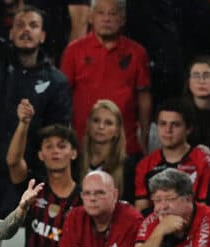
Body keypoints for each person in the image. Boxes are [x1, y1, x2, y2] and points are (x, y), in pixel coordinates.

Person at [0, 5, 72, 216]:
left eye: (33, 25)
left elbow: (56, 134)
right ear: (10, 33)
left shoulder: (57, 82)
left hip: (22, 179)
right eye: (19, 25)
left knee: (14, 246)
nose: (26, 30)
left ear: (43, 36)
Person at [60, 0, 151, 157]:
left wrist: (144, 136)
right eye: (100, 13)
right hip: (83, 147)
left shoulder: (137, 52)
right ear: (90, 17)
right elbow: (62, 96)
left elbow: (144, 96)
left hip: (125, 147)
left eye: (112, 13)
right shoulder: (74, 51)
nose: (106, 19)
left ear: (122, 19)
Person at [7, 116, 82, 247]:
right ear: (41, 155)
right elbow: (13, 162)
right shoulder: (33, 189)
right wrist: (23, 123)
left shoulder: (85, 197)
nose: (55, 151)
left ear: (74, 153)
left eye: (62, 146)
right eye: (49, 146)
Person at [126, 168, 210, 247]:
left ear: (188, 199)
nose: (162, 207)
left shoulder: (209, 217)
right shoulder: (152, 219)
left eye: (170, 199)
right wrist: (159, 231)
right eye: (157, 200)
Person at [40, 170, 141, 247]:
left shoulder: (131, 219)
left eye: (99, 193)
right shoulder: (75, 216)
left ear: (115, 195)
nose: (92, 199)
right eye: (87, 193)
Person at [134, 99, 210, 212]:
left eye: (175, 125)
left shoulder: (204, 163)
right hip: (156, 225)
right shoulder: (145, 165)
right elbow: (141, 211)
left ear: (188, 129)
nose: (168, 130)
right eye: (162, 124)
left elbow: (205, 209)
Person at [81, 99, 132, 202]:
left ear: (117, 131)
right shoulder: (76, 162)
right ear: (89, 124)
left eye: (108, 123)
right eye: (96, 121)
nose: (101, 127)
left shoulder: (127, 166)